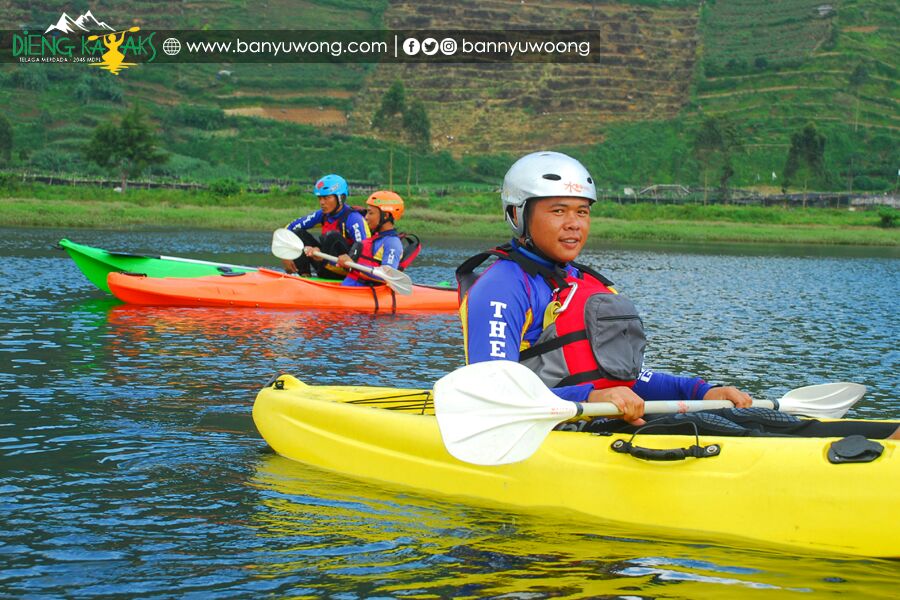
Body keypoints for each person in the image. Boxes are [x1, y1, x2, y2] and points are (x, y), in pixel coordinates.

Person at [456, 151, 899, 439]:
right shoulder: (503, 286)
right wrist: (588, 398)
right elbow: (492, 392)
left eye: (582, 212)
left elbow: (631, 376)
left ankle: (884, 440)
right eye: (558, 211)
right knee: (717, 431)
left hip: (614, 418)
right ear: (518, 214)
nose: (574, 223)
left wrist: (702, 389)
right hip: (557, 430)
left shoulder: (589, 284)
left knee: (740, 416)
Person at [282, 174, 368, 279]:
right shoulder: (322, 214)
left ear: (340, 198)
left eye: (327, 198)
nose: (322, 202)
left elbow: (365, 248)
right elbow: (290, 227)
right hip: (323, 264)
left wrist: (350, 260)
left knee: (331, 236)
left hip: (344, 269)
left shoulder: (354, 218)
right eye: (320, 198)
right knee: (297, 233)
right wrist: (285, 254)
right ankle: (304, 276)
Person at [335, 190, 413, 287]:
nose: (366, 217)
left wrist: (353, 265)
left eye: (370, 213)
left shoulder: (392, 243)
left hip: (364, 293)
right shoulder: (374, 238)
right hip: (349, 288)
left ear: (386, 216)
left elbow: (387, 275)